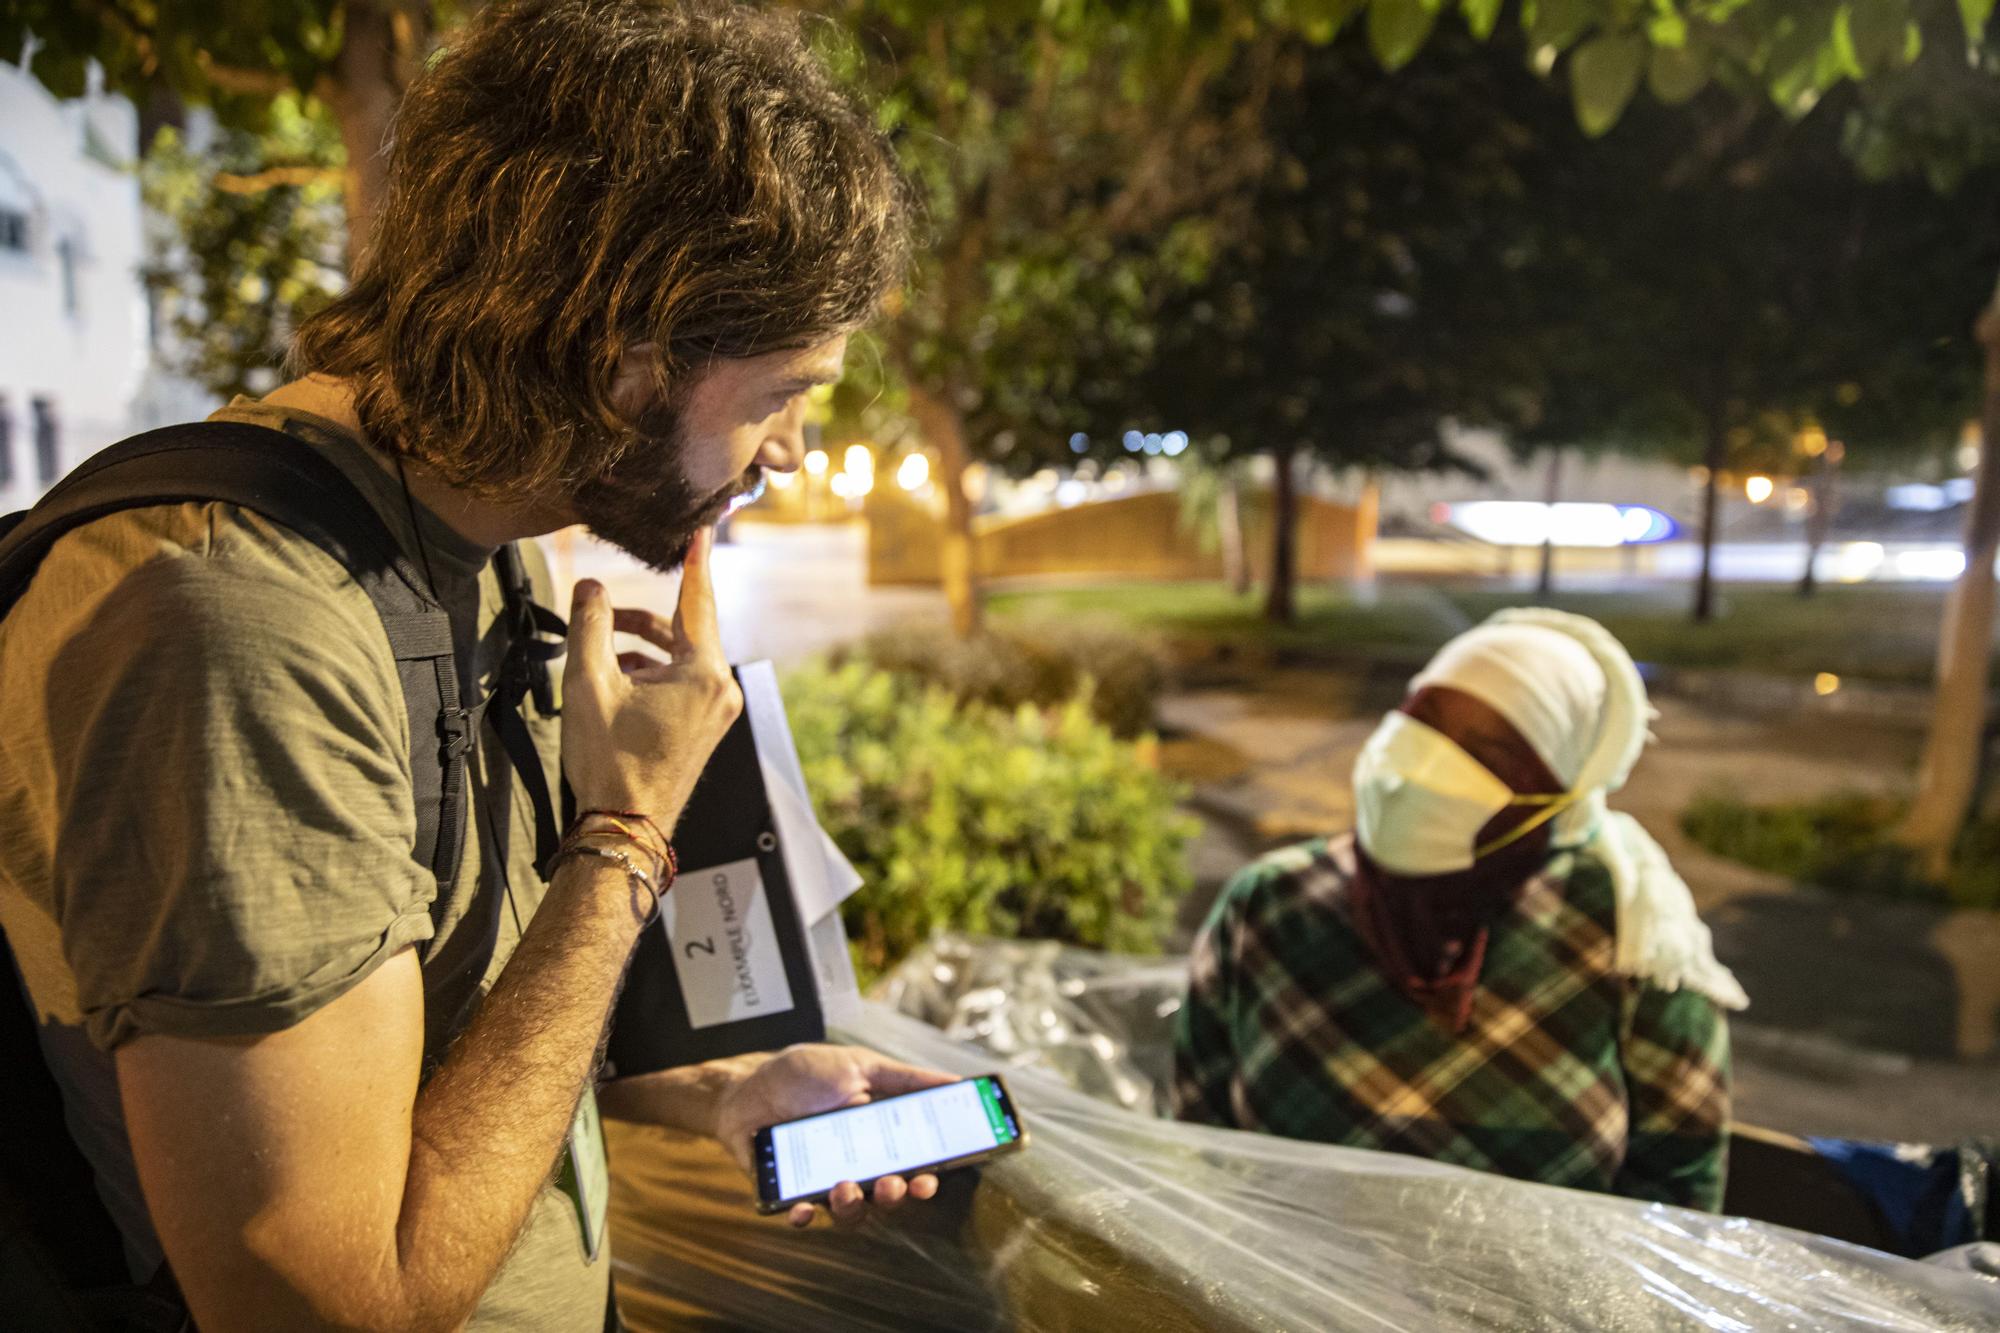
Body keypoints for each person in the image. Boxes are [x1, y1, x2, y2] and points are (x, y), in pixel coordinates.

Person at [0, 3, 953, 1329]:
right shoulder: (235, 629)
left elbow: (435, 1045)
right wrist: (625, 835)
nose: (788, 447)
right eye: (780, 390)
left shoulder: (461, 535)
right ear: (625, 346)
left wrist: (723, 1090)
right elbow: (339, 1301)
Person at [1173, 610, 1748, 1212]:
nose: (1426, 763)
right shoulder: (1270, 904)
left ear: (1553, 790)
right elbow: (1195, 1144)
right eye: (1424, 721)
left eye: (1487, 750)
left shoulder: (1634, 937)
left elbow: (1677, 1202)